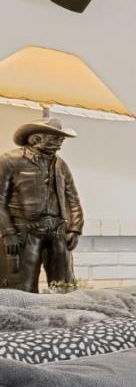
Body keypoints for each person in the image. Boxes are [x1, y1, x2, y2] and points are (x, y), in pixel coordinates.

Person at [0, 119, 84, 292]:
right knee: (22, 289)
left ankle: (62, 318)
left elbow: (73, 199)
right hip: (24, 233)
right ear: (35, 139)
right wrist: (8, 233)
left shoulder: (61, 165)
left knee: (64, 288)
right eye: (55, 139)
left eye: (61, 140)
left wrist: (75, 228)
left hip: (58, 232)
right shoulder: (9, 161)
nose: (60, 144)